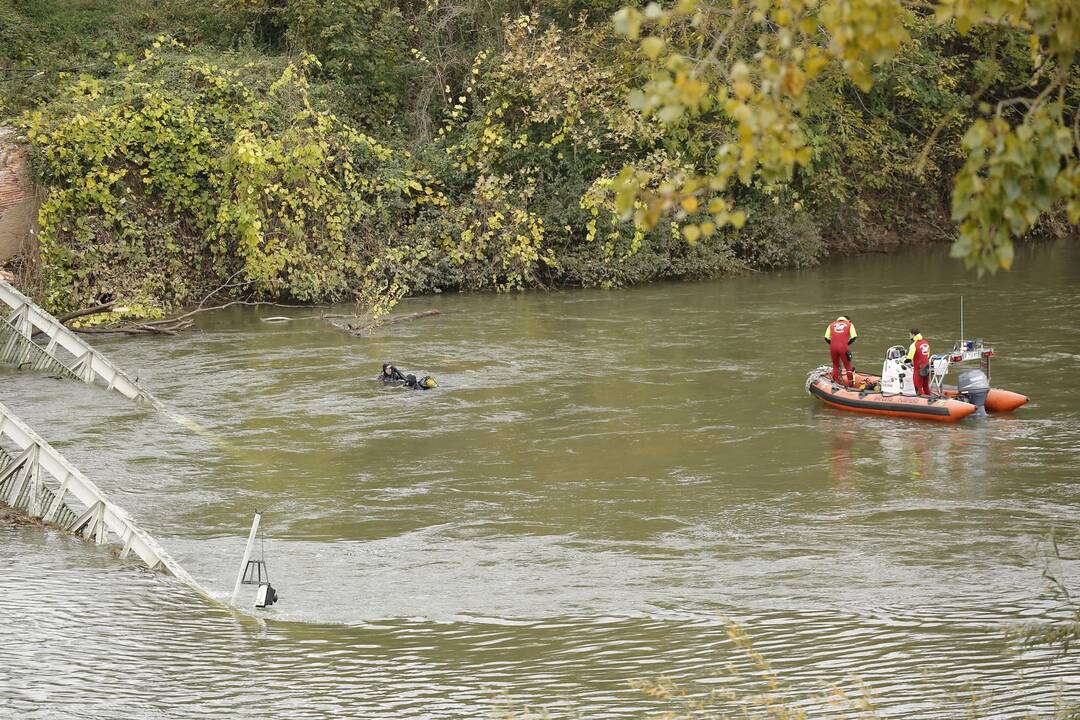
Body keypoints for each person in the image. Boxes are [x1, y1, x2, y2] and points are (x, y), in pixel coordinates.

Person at [823, 314, 857, 386]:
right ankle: (851, 384)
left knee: (835, 365)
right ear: (848, 320)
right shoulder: (850, 324)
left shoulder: (831, 325)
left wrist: (833, 344)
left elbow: (826, 337)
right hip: (843, 347)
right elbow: (854, 337)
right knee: (848, 366)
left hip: (833, 347)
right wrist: (847, 344)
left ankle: (835, 383)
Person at [907, 329, 931, 395]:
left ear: (913, 335)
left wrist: (902, 361)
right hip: (926, 368)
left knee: (918, 387)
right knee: (926, 387)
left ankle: (921, 400)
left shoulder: (914, 345)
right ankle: (929, 398)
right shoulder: (926, 342)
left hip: (918, 370)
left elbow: (909, 359)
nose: (909, 337)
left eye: (910, 335)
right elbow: (927, 355)